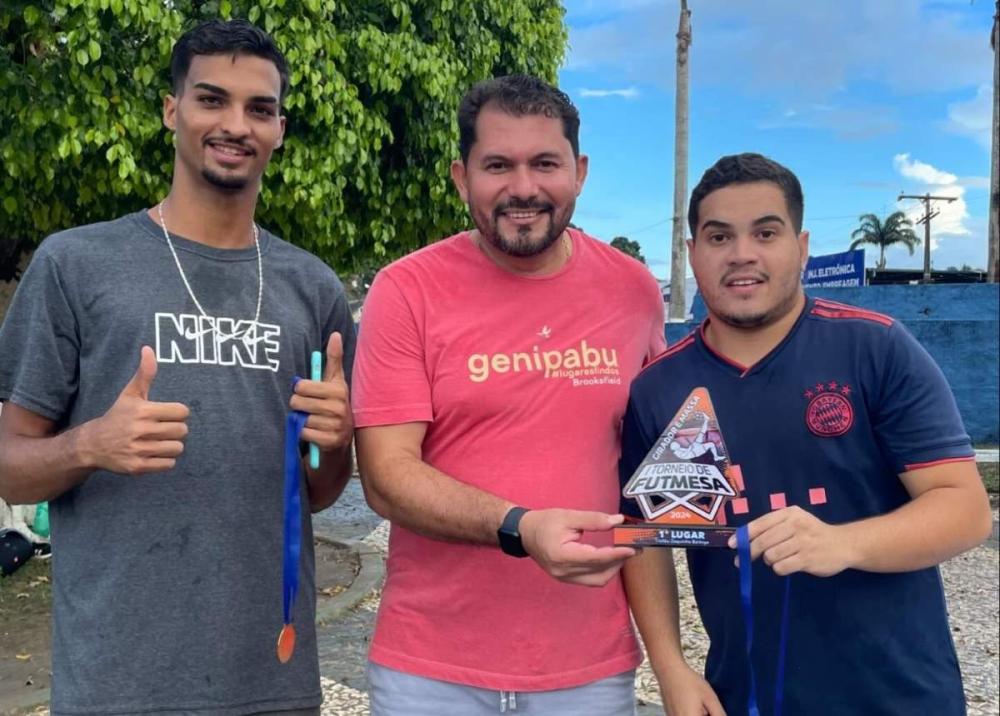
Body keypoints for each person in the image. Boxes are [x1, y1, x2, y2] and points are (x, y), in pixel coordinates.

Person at [0, 19, 355, 715]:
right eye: (211, 99)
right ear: (172, 110)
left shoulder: (311, 287)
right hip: (118, 684)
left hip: (273, 684)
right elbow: (9, 463)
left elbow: (317, 493)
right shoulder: (76, 264)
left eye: (260, 108)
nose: (236, 124)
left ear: (281, 128)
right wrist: (90, 444)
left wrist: (334, 443)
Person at [619, 153, 993, 716]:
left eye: (765, 232)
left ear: (802, 244)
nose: (742, 253)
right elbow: (644, 540)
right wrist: (670, 667)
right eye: (719, 236)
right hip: (739, 695)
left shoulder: (875, 349)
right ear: (692, 254)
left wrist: (844, 543)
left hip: (897, 695)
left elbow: (964, 510)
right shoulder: (659, 389)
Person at [350, 75, 666, 714]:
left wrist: (672, 663)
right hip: (431, 671)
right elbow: (385, 477)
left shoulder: (633, 291)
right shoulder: (406, 290)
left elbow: (649, 487)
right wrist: (520, 528)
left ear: (578, 172)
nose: (524, 187)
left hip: (589, 669)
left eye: (544, 163)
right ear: (461, 177)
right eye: (498, 164)